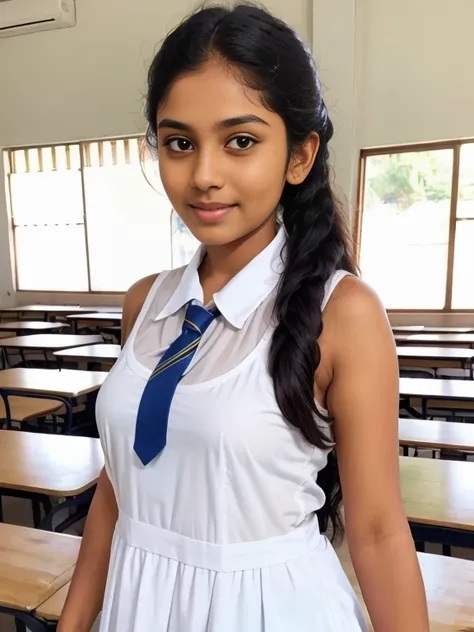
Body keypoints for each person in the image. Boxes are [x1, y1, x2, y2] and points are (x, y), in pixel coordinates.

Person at [58, 4, 429, 631]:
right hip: (139, 603)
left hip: (265, 611)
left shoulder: (341, 313)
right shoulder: (144, 303)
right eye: (179, 143)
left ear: (299, 156)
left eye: (241, 141)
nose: (204, 175)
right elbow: (120, 486)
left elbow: (375, 531)